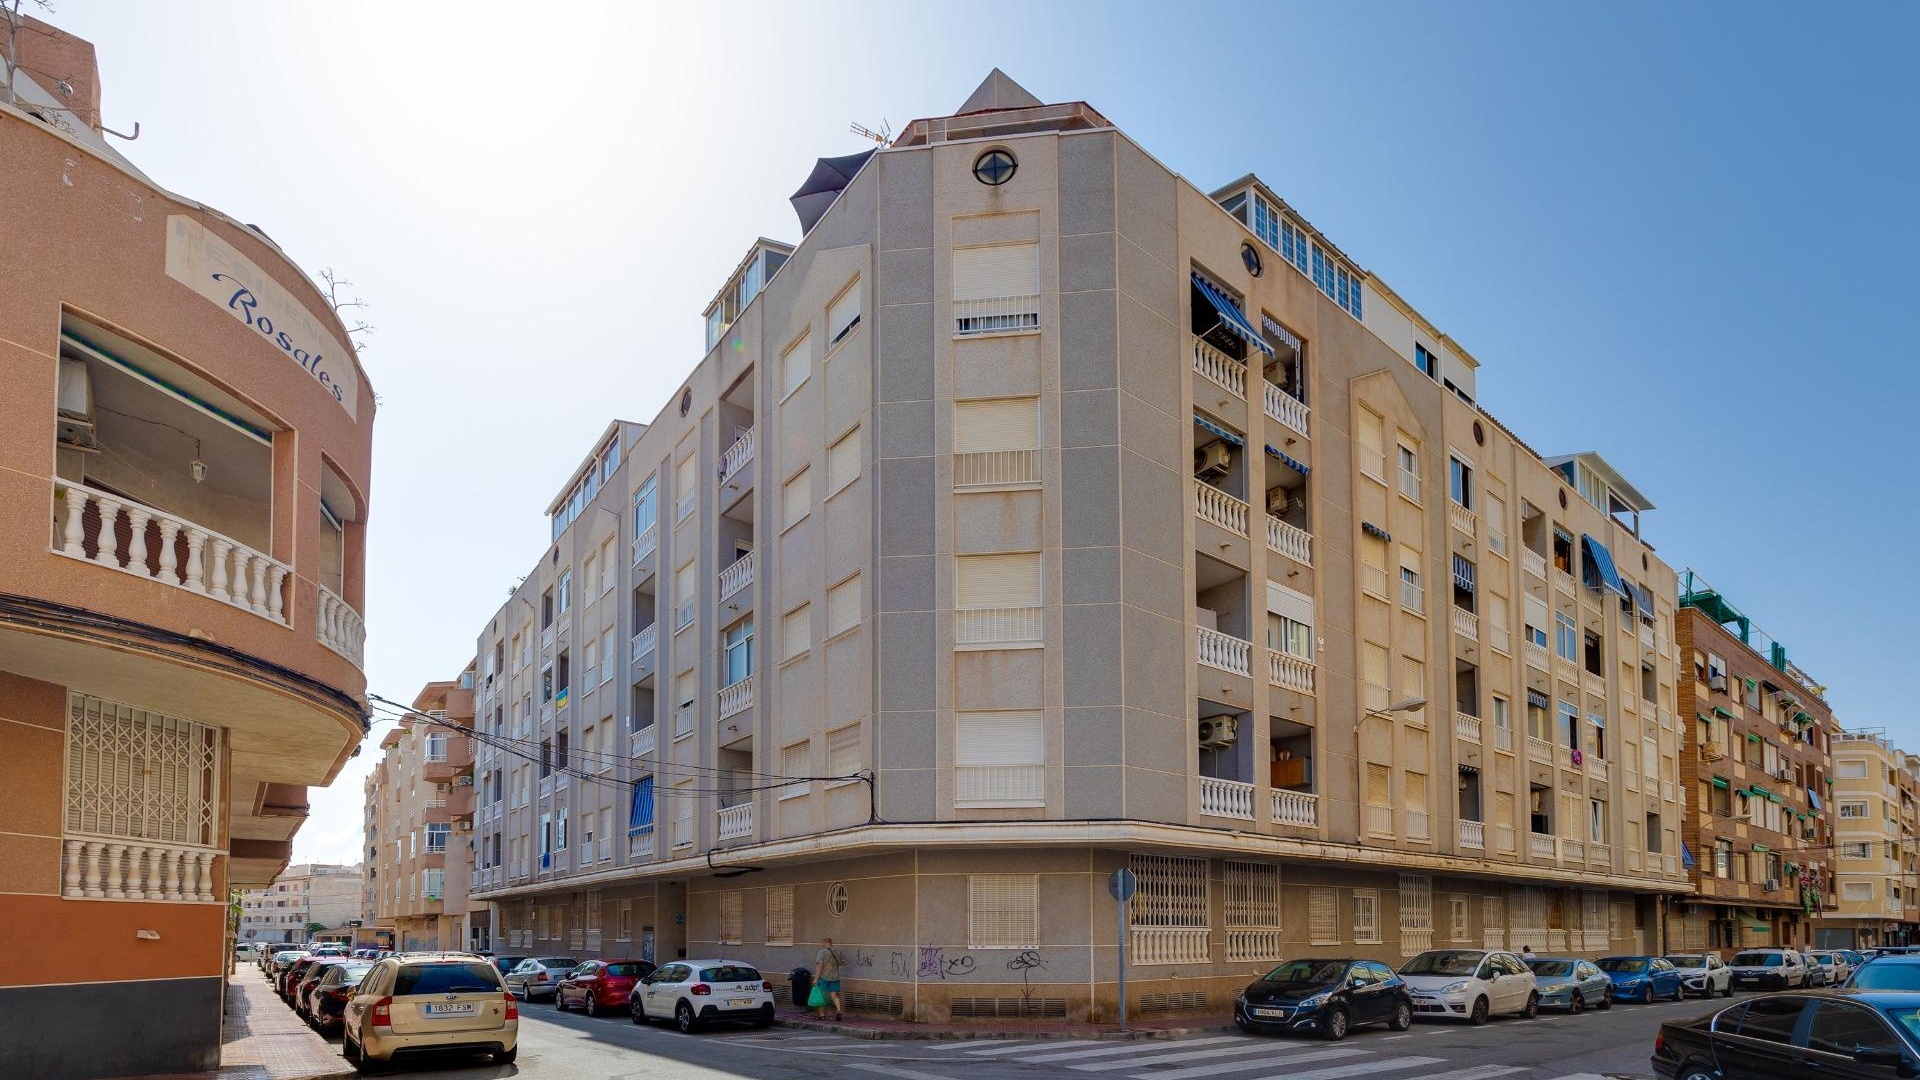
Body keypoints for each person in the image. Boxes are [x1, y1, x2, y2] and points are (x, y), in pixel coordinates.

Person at [814, 937, 845, 1021]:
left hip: (824, 977)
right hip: (835, 977)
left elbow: (820, 966)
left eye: (822, 943)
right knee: (834, 995)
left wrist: (816, 978)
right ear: (831, 943)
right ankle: (839, 1010)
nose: (821, 944)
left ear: (824, 943)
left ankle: (822, 1016)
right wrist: (834, 965)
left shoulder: (822, 952)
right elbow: (845, 962)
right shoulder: (838, 952)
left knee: (821, 996)